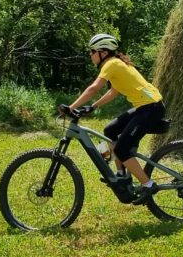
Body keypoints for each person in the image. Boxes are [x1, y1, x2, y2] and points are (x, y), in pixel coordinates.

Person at [64, 33, 165, 203]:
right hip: (146, 107)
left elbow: (94, 88)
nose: (90, 55)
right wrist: (93, 106)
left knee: (121, 149)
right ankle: (121, 174)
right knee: (110, 130)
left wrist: (71, 107)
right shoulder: (116, 64)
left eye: (92, 51)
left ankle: (148, 185)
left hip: (151, 108)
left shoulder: (112, 63)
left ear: (103, 52)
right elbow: (113, 91)